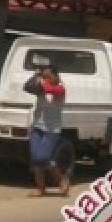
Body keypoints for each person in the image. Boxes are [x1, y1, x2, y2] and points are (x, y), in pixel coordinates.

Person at [25, 63, 68, 196]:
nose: (45, 79)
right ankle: (41, 189)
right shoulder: (41, 87)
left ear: (56, 76)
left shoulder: (60, 88)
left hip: (52, 129)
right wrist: (36, 75)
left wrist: (40, 78)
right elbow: (27, 87)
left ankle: (61, 180)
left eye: (48, 77)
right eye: (44, 77)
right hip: (37, 126)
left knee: (43, 156)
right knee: (36, 159)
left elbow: (49, 89)